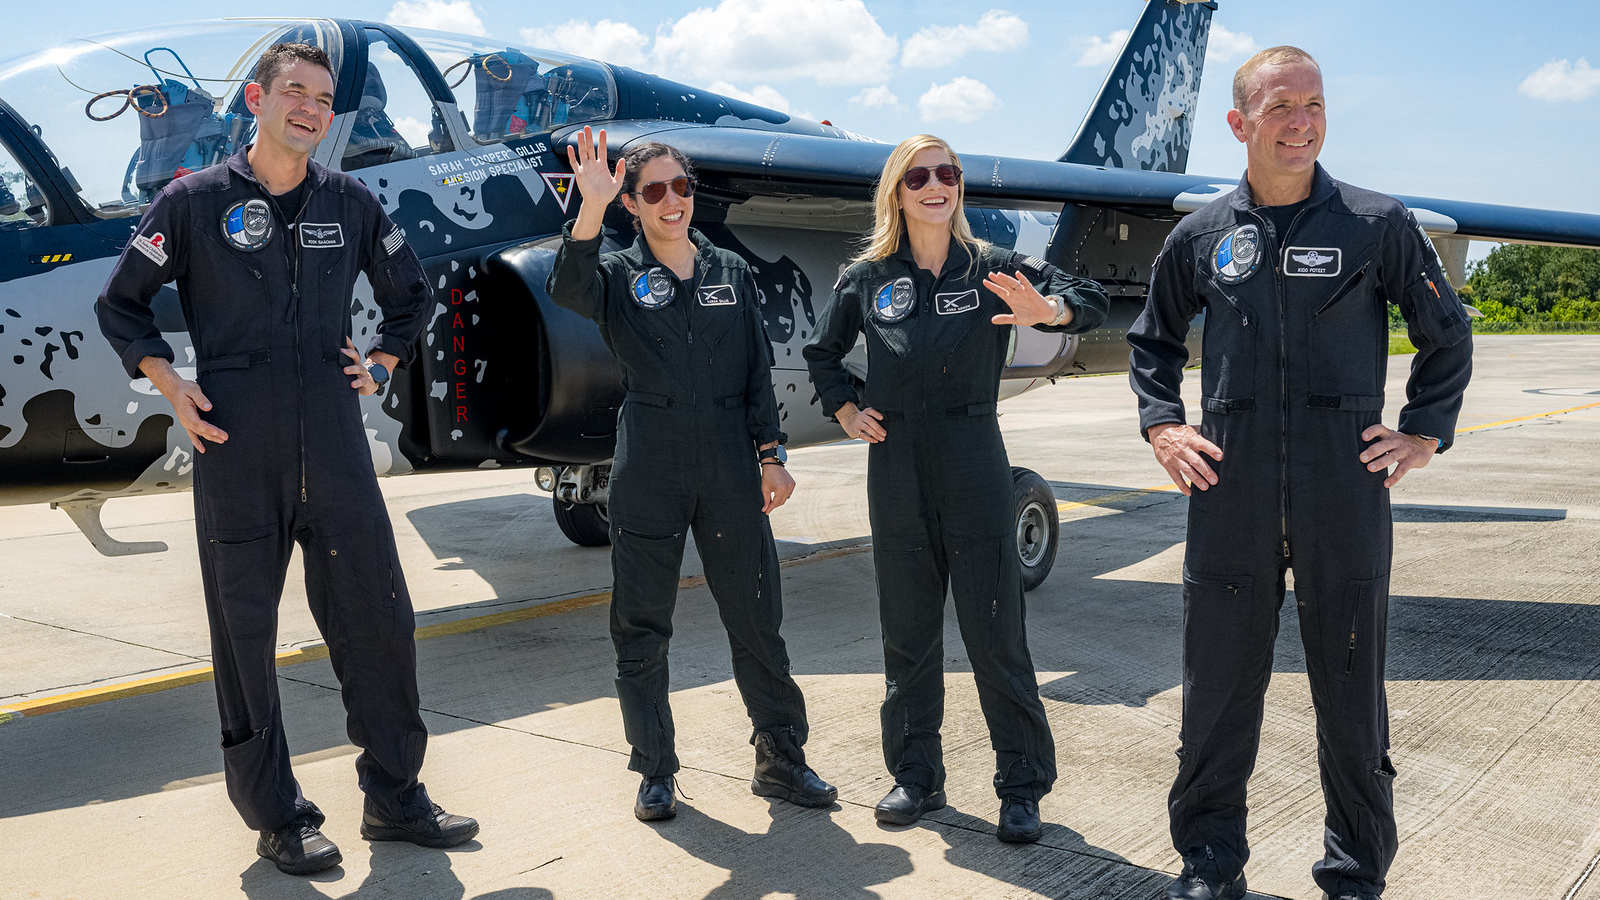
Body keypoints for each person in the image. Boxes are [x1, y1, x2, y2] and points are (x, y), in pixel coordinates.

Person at [95, 43, 477, 876]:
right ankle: (278, 816)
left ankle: (396, 796)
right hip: (237, 445)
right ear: (257, 99)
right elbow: (121, 304)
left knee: (378, 621)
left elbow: (411, 295)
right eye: (294, 92)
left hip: (336, 444)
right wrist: (165, 377)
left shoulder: (353, 200)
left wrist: (379, 361)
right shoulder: (191, 203)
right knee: (245, 637)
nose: (310, 107)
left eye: (323, 97)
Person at [1126, 46, 1473, 900]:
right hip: (1228, 490)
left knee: (1351, 699)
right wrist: (1164, 426)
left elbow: (1446, 334)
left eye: (1314, 104)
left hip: (1341, 490)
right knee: (1216, 696)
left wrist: (1424, 431)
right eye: (1282, 106)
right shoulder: (1201, 234)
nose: (1302, 121)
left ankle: (1354, 871)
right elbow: (1152, 343)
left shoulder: (1376, 223)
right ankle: (1210, 862)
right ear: (1241, 124)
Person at [804, 134, 1108, 843]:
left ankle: (1022, 787)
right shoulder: (868, 277)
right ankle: (916, 777)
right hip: (897, 461)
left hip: (973, 454)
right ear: (897, 192)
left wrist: (1049, 313)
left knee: (995, 631)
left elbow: (1087, 297)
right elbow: (822, 351)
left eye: (948, 173)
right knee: (907, 633)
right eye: (919, 176)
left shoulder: (994, 268)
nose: (936, 185)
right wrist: (846, 408)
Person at [547, 127, 837, 821]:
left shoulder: (729, 272)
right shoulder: (617, 274)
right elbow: (567, 285)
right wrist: (589, 206)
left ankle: (781, 758)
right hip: (650, 461)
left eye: (682, 187)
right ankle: (654, 768)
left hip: (731, 465)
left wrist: (772, 455)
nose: (672, 200)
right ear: (634, 205)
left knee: (757, 616)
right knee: (641, 623)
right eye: (655, 191)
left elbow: (755, 373)